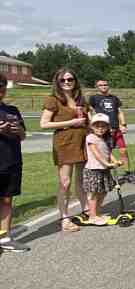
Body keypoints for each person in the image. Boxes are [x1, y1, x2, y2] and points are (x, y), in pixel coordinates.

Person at [40, 68, 88, 232]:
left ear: (75, 81)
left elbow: (87, 122)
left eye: (70, 79)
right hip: (64, 144)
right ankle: (65, 218)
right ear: (58, 82)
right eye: (63, 80)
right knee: (65, 183)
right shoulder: (53, 100)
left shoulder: (81, 99)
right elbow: (44, 124)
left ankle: (86, 211)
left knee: (81, 181)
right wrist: (70, 123)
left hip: (82, 143)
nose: (67, 82)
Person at [0, 73, 30, 252]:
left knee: (6, 200)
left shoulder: (13, 110)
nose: (1, 89)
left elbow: (24, 136)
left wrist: (19, 130)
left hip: (12, 161)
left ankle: (4, 238)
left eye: (3, 86)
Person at [83, 113, 123, 225]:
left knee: (103, 192)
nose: (100, 128)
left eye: (103, 126)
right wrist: (107, 163)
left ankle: (97, 213)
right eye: (97, 126)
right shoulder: (90, 138)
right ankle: (92, 216)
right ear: (92, 126)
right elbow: (96, 154)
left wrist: (115, 161)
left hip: (104, 169)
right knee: (94, 193)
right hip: (93, 170)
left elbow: (108, 153)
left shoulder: (105, 139)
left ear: (107, 127)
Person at [88, 79, 128, 168]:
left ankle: (127, 172)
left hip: (116, 128)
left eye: (105, 84)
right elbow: (88, 111)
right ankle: (108, 173)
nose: (103, 86)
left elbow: (119, 112)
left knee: (123, 150)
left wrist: (123, 124)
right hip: (103, 130)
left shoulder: (114, 98)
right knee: (106, 152)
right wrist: (92, 123)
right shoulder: (94, 98)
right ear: (97, 87)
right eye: (101, 85)